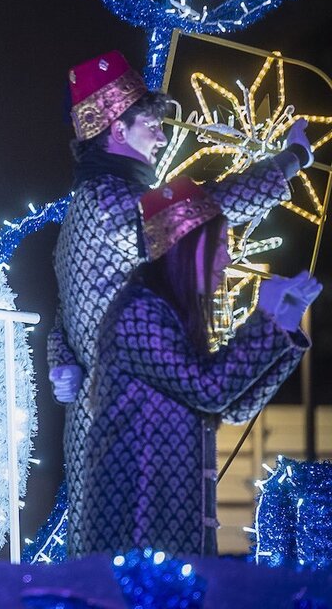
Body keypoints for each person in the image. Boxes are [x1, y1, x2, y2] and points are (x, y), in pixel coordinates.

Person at [45, 50, 313, 556]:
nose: (162, 137)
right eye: (151, 124)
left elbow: (67, 312)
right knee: (142, 568)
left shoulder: (87, 206)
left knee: (108, 566)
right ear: (117, 130)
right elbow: (205, 211)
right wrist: (290, 160)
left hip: (111, 426)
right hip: (136, 436)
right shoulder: (110, 202)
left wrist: (63, 360)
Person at [71, 177, 319, 557]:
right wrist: (264, 318)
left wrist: (283, 325)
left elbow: (233, 406)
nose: (227, 260)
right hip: (137, 521)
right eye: (219, 246)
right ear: (186, 246)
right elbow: (210, 389)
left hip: (176, 521)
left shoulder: (170, 316)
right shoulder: (138, 312)